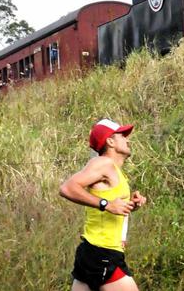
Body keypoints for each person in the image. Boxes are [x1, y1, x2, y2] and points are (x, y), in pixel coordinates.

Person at [60, 119, 147, 291]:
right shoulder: (103, 163)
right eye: (122, 136)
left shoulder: (115, 171)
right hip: (103, 253)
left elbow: (113, 205)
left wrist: (131, 205)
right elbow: (67, 188)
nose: (127, 139)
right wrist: (106, 204)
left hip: (95, 251)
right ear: (110, 141)